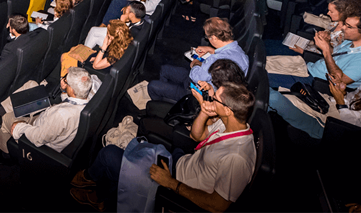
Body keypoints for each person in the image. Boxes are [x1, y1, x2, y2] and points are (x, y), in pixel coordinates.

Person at [71, 81, 256, 212]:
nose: (211, 97)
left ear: (228, 110)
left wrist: (170, 183)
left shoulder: (237, 157)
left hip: (176, 183)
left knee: (109, 154)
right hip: (182, 162)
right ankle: (106, 196)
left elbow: (217, 207)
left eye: (215, 98)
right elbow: (196, 135)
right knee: (134, 151)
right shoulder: (229, 125)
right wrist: (204, 109)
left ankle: (92, 182)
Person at [268, 55, 361, 139]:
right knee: (285, 94)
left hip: (332, 128)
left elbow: (356, 132)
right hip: (331, 109)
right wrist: (341, 92)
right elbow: (351, 99)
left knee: (274, 98)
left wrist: (340, 102)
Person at [269, 13, 361, 90]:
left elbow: (339, 81)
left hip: (315, 81)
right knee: (265, 61)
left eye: (349, 27)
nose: (343, 29)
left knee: (265, 77)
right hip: (309, 67)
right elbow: (335, 54)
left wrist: (326, 50)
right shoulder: (353, 40)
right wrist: (326, 43)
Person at [148, 17, 249, 103]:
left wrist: (196, 64)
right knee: (165, 69)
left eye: (207, 37)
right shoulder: (240, 52)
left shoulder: (216, 60)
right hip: (209, 85)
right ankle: (166, 97)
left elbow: (196, 77)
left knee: (152, 86)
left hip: (198, 93)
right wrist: (212, 50)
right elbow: (227, 55)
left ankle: (164, 106)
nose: (207, 39)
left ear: (213, 38)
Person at [0, 67, 96, 154]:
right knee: (32, 84)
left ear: (72, 90)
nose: (63, 81)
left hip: (37, 131)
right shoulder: (88, 96)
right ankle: (3, 108)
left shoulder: (61, 115)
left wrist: (20, 127)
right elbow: (71, 101)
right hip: (48, 117)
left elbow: (38, 138)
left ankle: (6, 153)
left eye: (66, 82)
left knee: (5, 119)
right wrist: (64, 90)